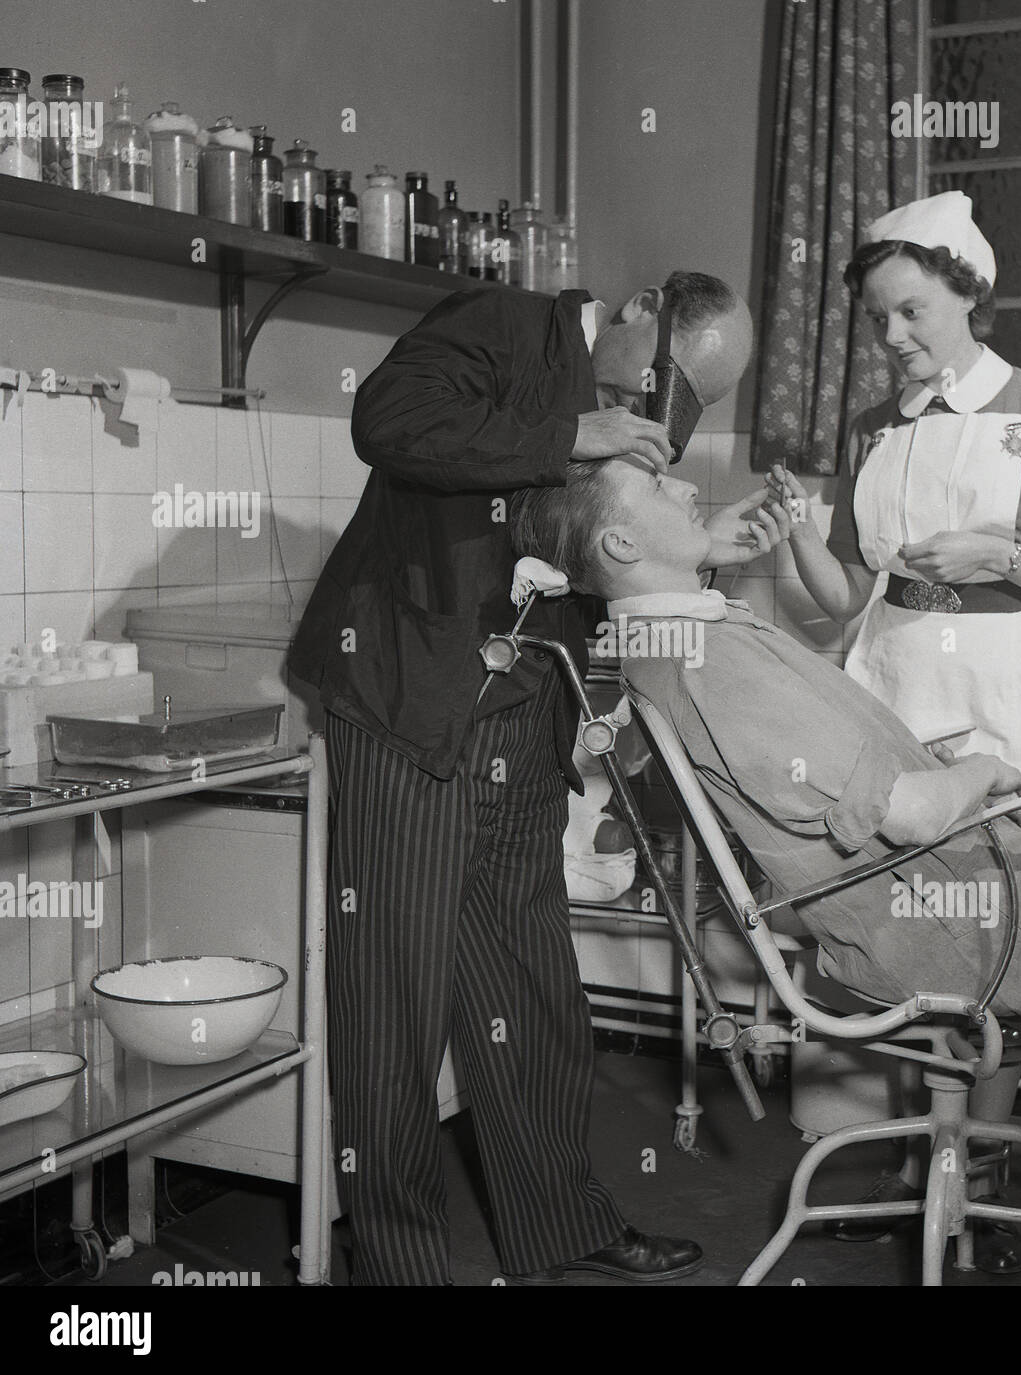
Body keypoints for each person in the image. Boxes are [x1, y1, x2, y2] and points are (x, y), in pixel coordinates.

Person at [509, 456, 1021, 1286]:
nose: (682, 487)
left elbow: (838, 783)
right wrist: (980, 773)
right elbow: (909, 813)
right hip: (963, 916)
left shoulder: (669, 640)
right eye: (656, 487)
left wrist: (940, 768)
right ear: (621, 540)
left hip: (939, 900)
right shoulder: (710, 656)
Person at [288, 271, 783, 1286]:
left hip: (523, 708)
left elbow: (587, 547)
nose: (662, 416)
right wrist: (573, 435)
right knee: (397, 1010)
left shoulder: (616, 409)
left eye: (691, 405)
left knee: (535, 992)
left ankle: (560, 1222)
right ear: (640, 311)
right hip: (410, 706)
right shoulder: (504, 323)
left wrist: (702, 548)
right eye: (667, 384)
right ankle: (402, 1266)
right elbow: (388, 420)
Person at [772, 190, 1021, 868]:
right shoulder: (871, 428)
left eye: (913, 312)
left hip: (1011, 688)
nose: (892, 336)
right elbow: (849, 594)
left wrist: (1001, 557)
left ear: (969, 294)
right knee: (900, 881)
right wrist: (794, 525)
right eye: (879, 317)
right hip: (898, 679)